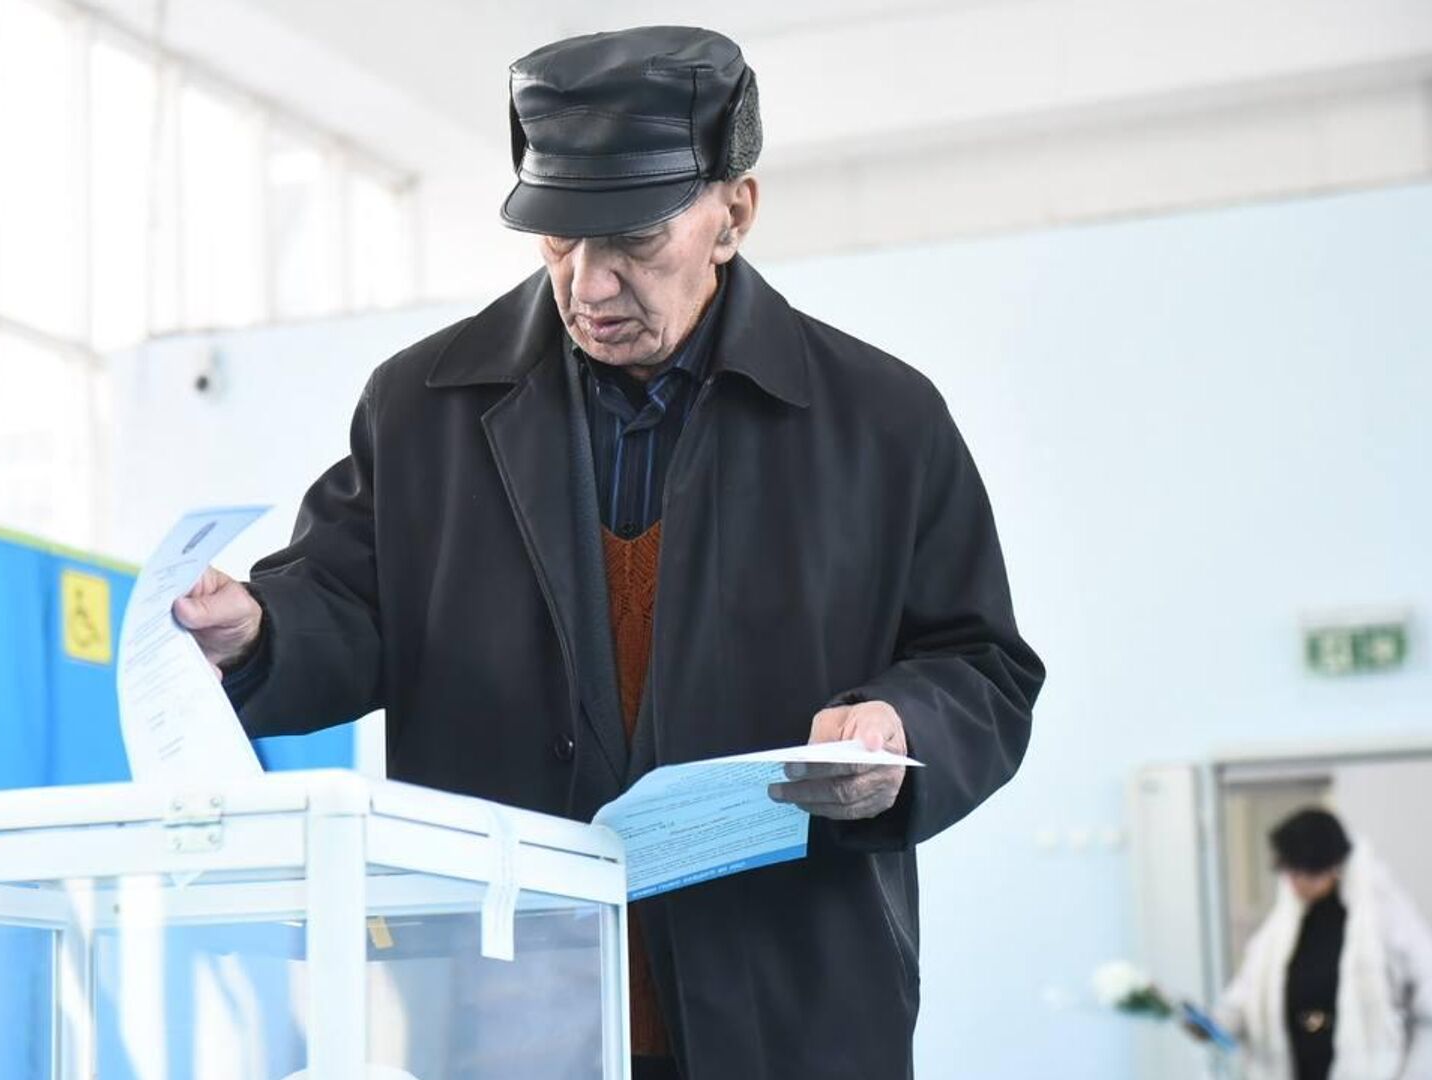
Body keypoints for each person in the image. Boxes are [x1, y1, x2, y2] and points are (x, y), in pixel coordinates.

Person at [173, 26, 1043, 1080]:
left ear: (734, 215)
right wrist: (258, 630)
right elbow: (348, 609)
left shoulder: (881, 421)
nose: (588, 286)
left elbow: (980, 666)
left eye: (632, 239)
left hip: (788, 1002)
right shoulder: (421, 408)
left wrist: (897, 728)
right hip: (506, 1009)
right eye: (557, 240)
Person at [1215, 808, 1432, 1079]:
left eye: (1301, 872)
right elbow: (1248, 991)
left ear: (1332, 866)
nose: (1293, 882)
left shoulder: (1384, 920)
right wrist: (1219, 1023)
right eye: (1288, 872)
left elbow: (1427, 1002)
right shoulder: (1281, 929)